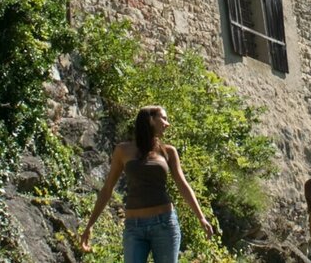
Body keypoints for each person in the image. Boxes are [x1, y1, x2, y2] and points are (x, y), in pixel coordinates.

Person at [81, 105, 214, 262]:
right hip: (134, 227)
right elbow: (107, 188)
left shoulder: (168, 151)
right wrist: (90, 224)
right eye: (163, 118)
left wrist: (201, 217)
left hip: (164, 224)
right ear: (151, 119)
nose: (167, 123)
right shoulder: (123, 150)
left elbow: (183, 185)